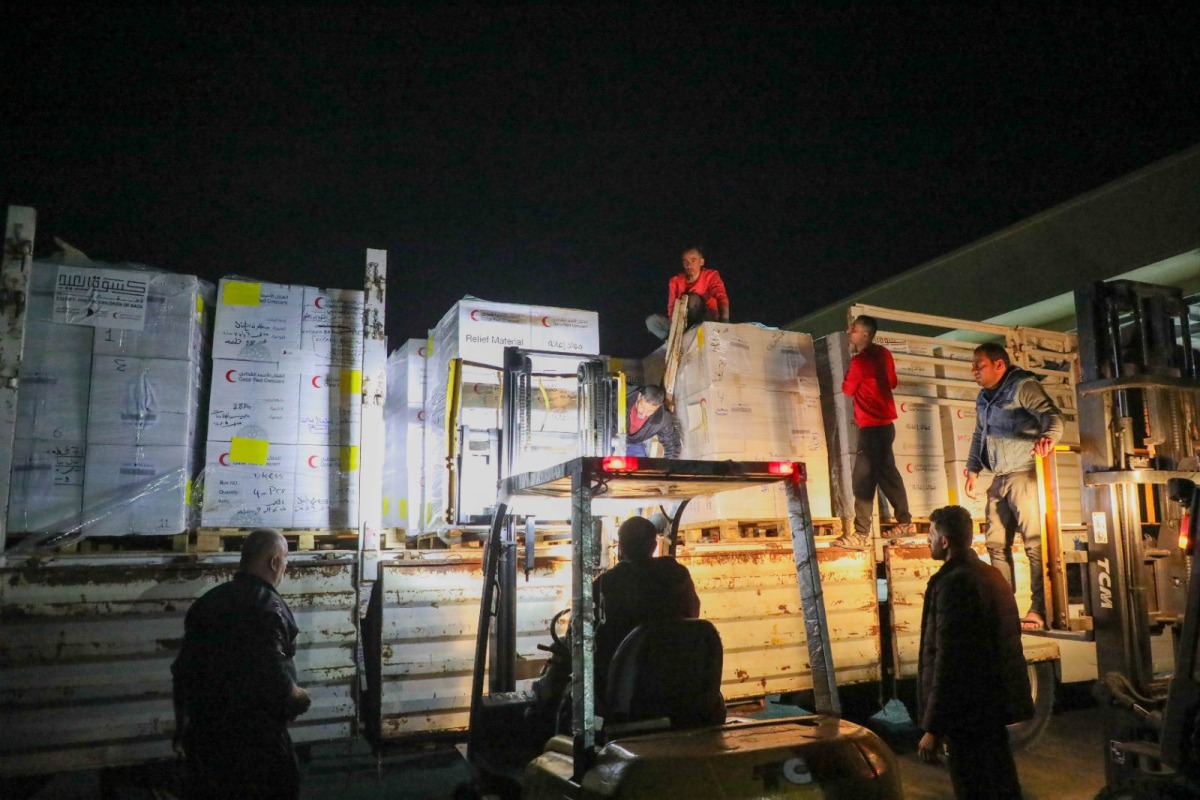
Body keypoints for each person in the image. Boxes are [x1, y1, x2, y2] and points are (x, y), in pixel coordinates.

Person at [171, 529, 311, 800]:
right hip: (258, 748)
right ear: (274, 562)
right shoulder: (270, 607)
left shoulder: (207, 603)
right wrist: (298, 696)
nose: (285, 568)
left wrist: (181, 729)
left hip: (206, 743)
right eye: (285, 560)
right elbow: (271, 669)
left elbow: (182, 672)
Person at [918, 505, 1033, 799]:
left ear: (944, 541)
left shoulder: (954, 583)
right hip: (992, 706)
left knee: (973, 787)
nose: (927, 540)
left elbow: (949, 660)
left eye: (931, 534)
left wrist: (933, 727)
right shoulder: (992, 575)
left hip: (967, 713)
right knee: (1002, 782)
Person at [965, 342, 1064, 631]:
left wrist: (1049, 437)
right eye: (973, 366)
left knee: (1035, 543)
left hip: (1025, 475)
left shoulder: (1022, 386)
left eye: (979, 365)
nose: (974, 371)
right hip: (999, 477)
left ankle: (1040, 609)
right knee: (995, 544)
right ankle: (1004, 609)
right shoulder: (984, 397)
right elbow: (980, 433)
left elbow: (1052, 415)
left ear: (999, 365)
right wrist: (973, 469)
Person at [593, 516, 701, 699]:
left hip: (628, 687)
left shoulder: (607, 583)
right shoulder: (678, 575)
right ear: (653, 545)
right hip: (681, 678)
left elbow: (590, 632)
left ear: (621, 547)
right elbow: (693, 613)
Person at [832, 314, 915, 548]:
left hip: (871, 429)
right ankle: (905, 523)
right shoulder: (884, 354)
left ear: (865, 335)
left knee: (863, 479)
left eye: (854, 329)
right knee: (888, 475)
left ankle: (861, 534)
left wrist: (856, 374)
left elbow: (847, 389)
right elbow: (893, 382)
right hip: (886, 427)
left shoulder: (859, 362)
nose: (849, 332)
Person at [646, 246, 730, 340]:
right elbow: (672, 308)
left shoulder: (710, 276)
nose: (689, 265)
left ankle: (693, 332)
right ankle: (676, 339)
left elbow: (721, 297)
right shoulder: (675, 281)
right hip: (683, 323)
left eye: (693, 260)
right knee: (652, 321)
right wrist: (675, 328)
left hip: (705, 320)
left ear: (701, 262)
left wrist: (724, 325)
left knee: (693, 299)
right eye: (685, 261)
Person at [625, 384, 681, 458]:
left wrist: (666, 464)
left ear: (658, 407)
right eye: (642, 407)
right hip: (612, 436)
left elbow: (673, 446)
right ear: (639, 396)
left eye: (650, 411)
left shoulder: (663, 419)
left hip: (635, 444)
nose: (644, 414)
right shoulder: (621, 396)